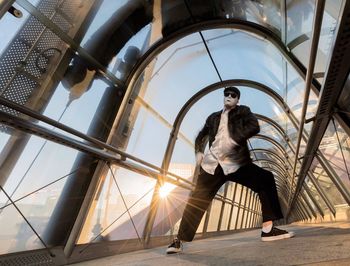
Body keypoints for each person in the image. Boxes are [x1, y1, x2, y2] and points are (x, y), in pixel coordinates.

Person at [166, 86, 294, 254]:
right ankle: (178, 241)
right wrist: (198, 151)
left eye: (233, 95)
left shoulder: (242, 111)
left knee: (266, 178)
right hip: (212, 166)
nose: (229, 96)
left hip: (235, 162)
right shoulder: (213, 118)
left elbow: (254, 126)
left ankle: (268, 230)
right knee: (197, 200)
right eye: (226, 94)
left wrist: (233, 140)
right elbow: (201, 135)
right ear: (223, 97)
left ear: (237, 100)